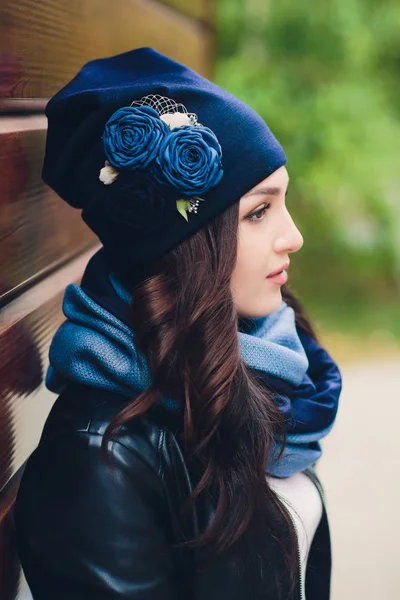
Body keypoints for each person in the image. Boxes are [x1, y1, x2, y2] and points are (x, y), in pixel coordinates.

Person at [13, 48, 342, 600]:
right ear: (186, 245)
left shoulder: (271, 364)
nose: (293, 236)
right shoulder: (101, 459)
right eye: (259, 212)